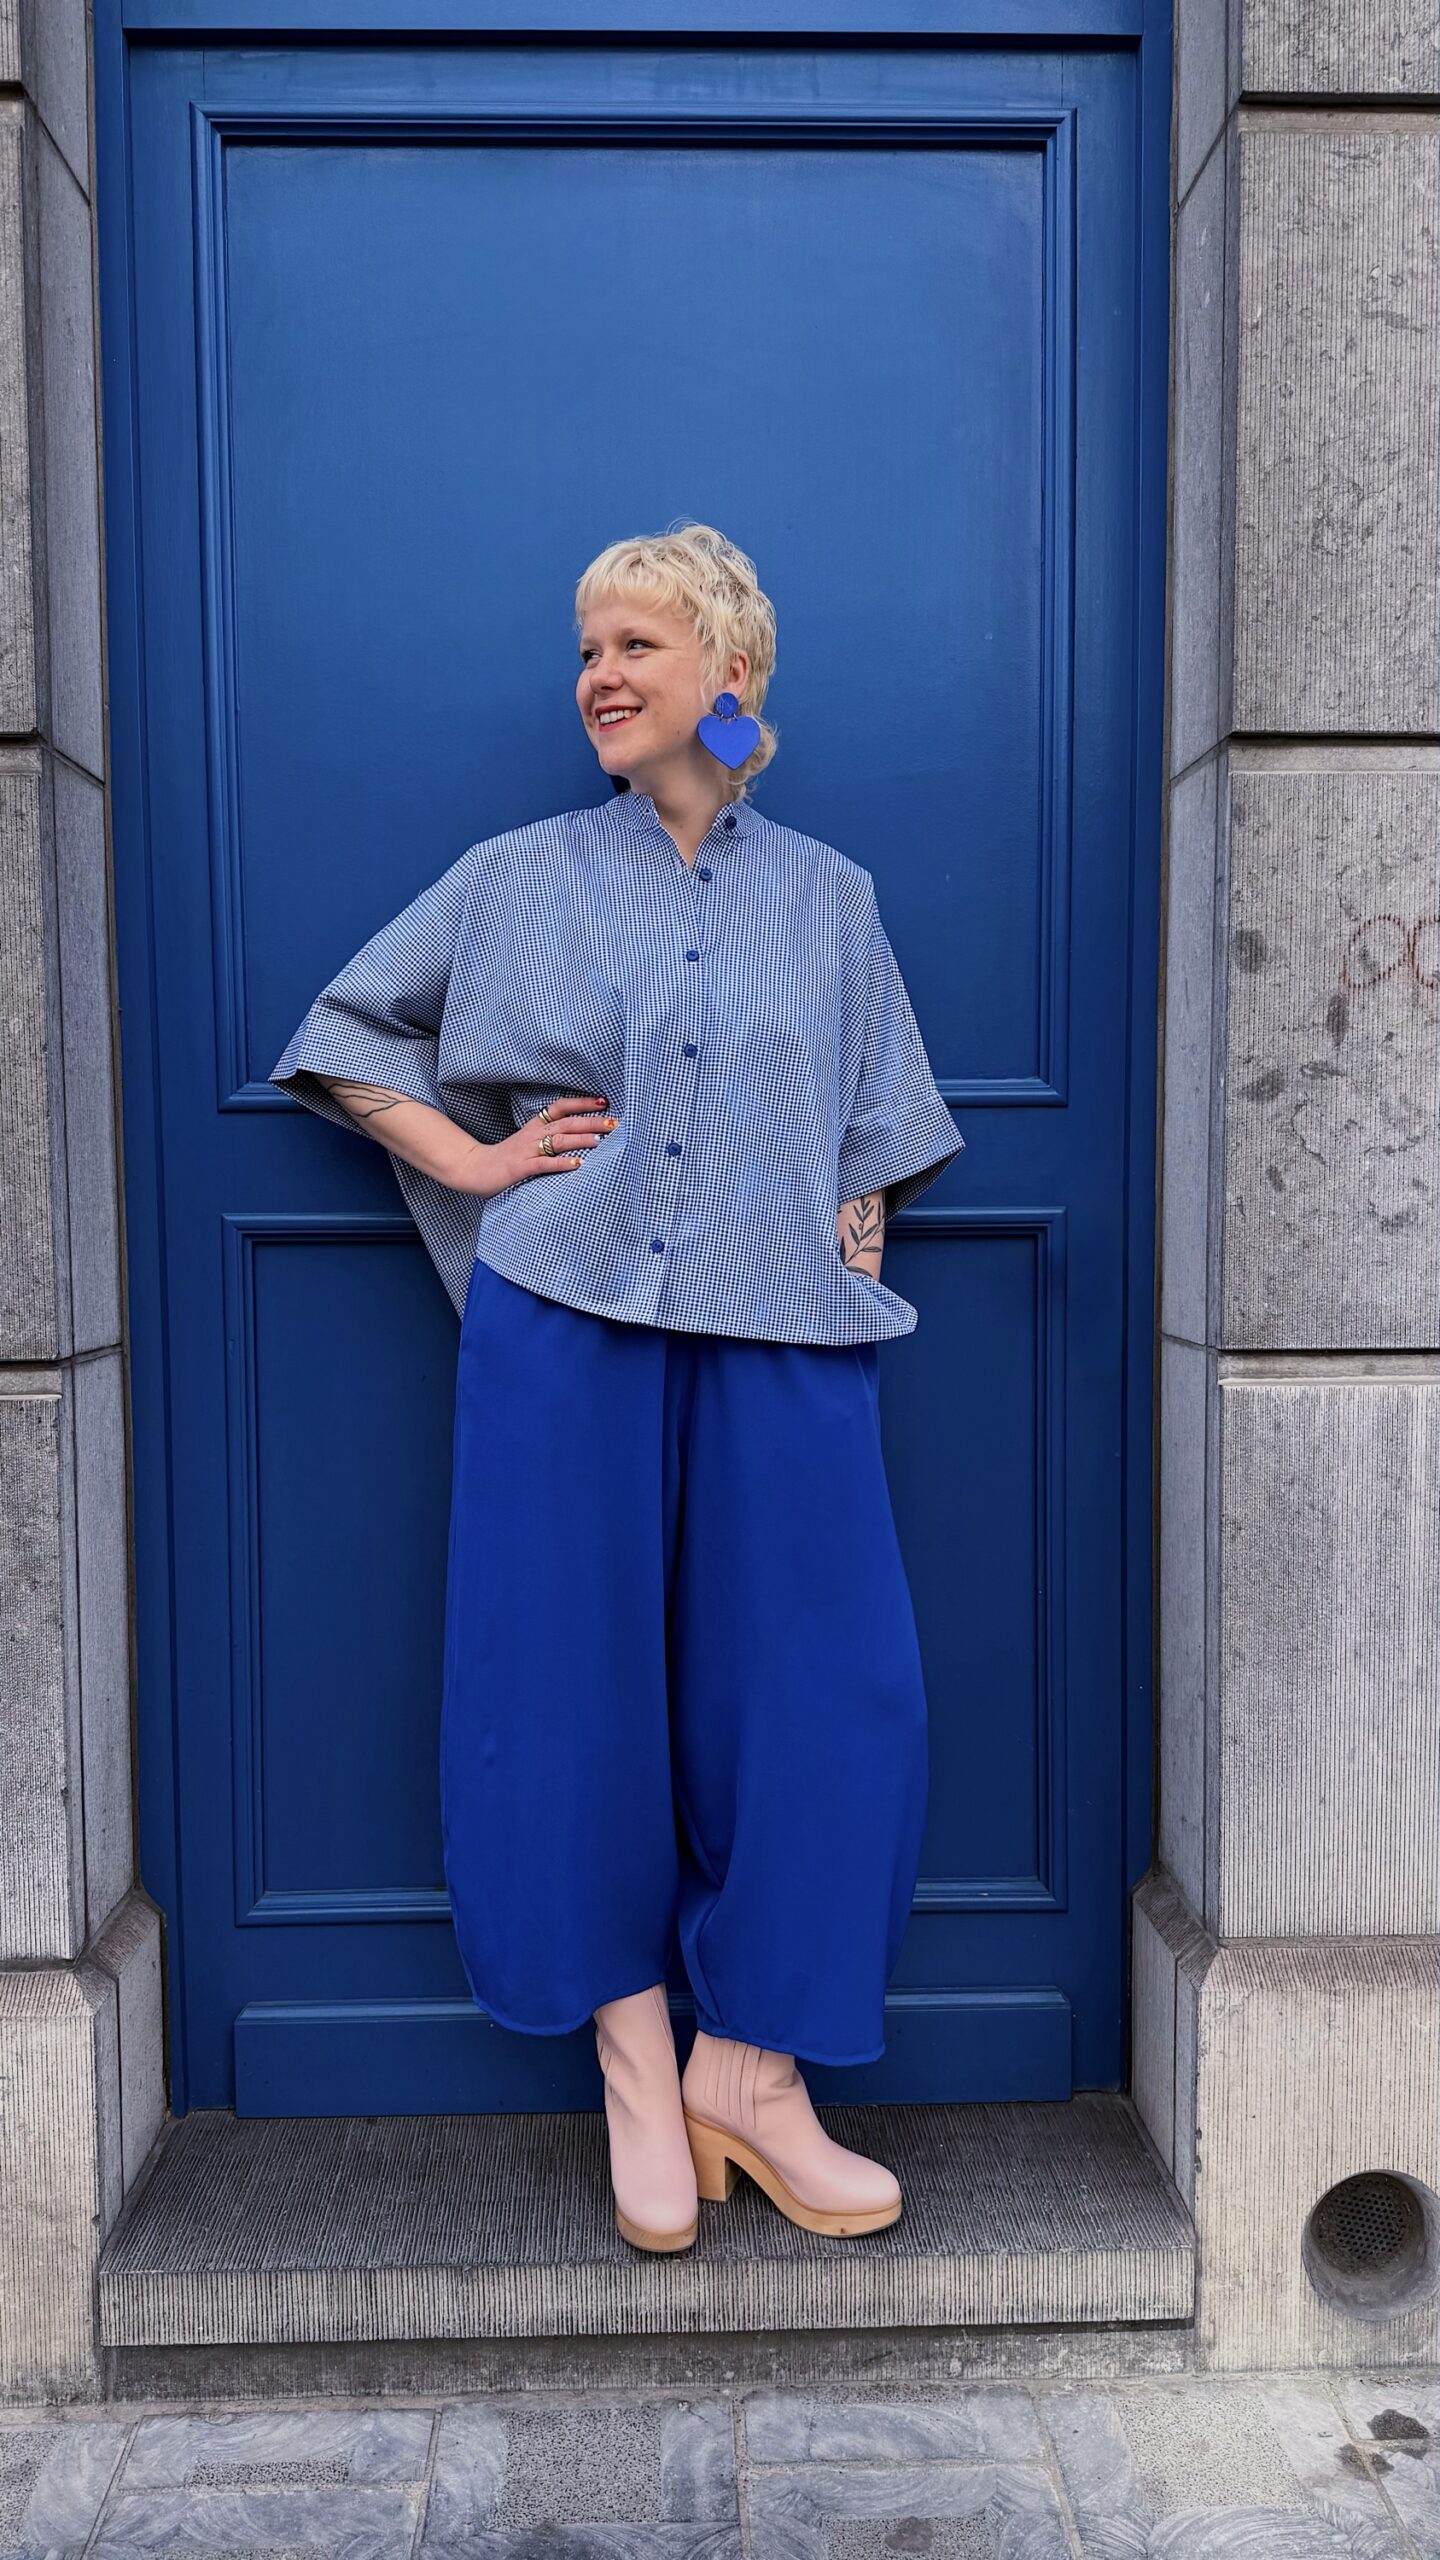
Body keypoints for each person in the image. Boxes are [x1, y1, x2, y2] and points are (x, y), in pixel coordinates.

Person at [270, 521, 965, 2256]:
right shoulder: (515, 877)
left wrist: (850, 1250)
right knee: (567, 1687)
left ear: (730, 670)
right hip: (566, 1321)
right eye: (586, 649)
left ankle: (754, 2072)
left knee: (834, 1696)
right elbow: (346, 1033)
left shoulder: (831, 897)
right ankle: (636, 2066)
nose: (598, 676)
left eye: (635, 644)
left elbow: (877, 1126)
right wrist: (477, 1164)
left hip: (786, 1336)